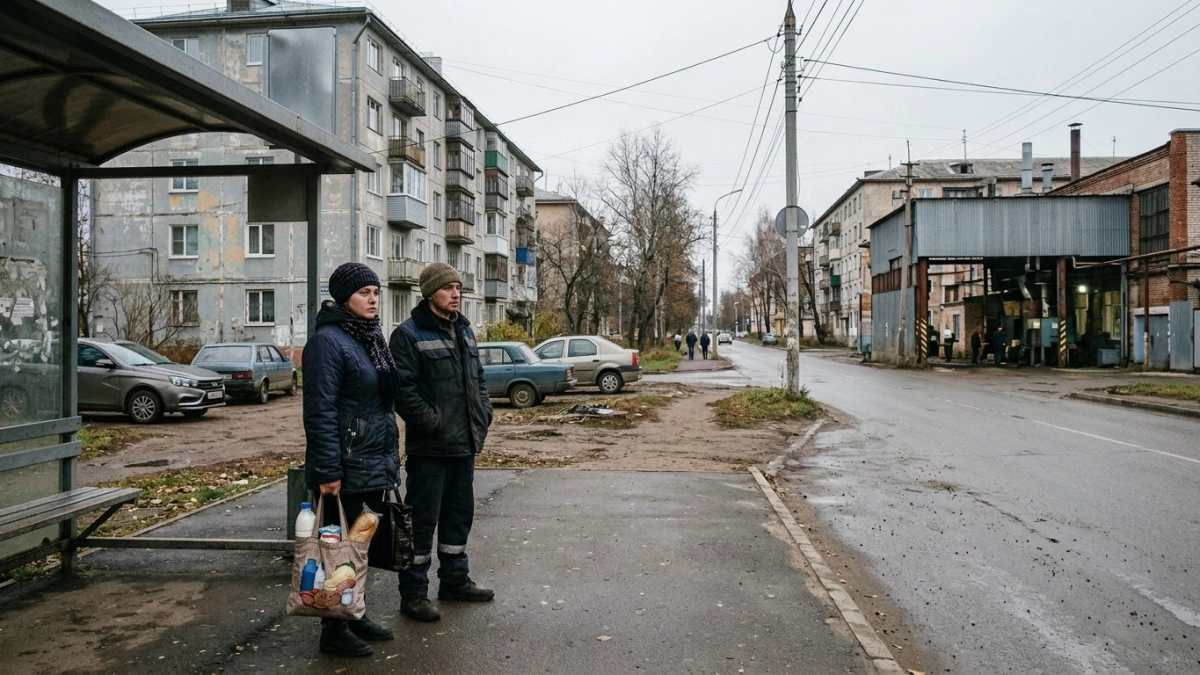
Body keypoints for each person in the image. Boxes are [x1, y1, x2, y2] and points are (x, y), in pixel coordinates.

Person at [302, 262, 399, 657]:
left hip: (372, 461)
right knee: (339, 550)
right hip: (344, 466)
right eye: (364, 293)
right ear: (344, 298)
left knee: (360, 548)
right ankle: (334, 629)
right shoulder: (328, 341)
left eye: (376, 292)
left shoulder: (368, 338)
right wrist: (328, 469)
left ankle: (354, 612)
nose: (373, 299)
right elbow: (320, 409)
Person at [390, 262, 494, 624]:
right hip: (430, 450)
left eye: (458, 288)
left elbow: (478, 379)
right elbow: (403, 392)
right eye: (448, 288)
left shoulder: (464, 330)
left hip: (464, 445)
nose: (455, 294)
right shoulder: (408, 335)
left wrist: (483, 415)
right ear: (430, 292)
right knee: (421, 523)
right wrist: (434, 424)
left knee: (458, 517)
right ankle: (414, 594)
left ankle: (454, 581)